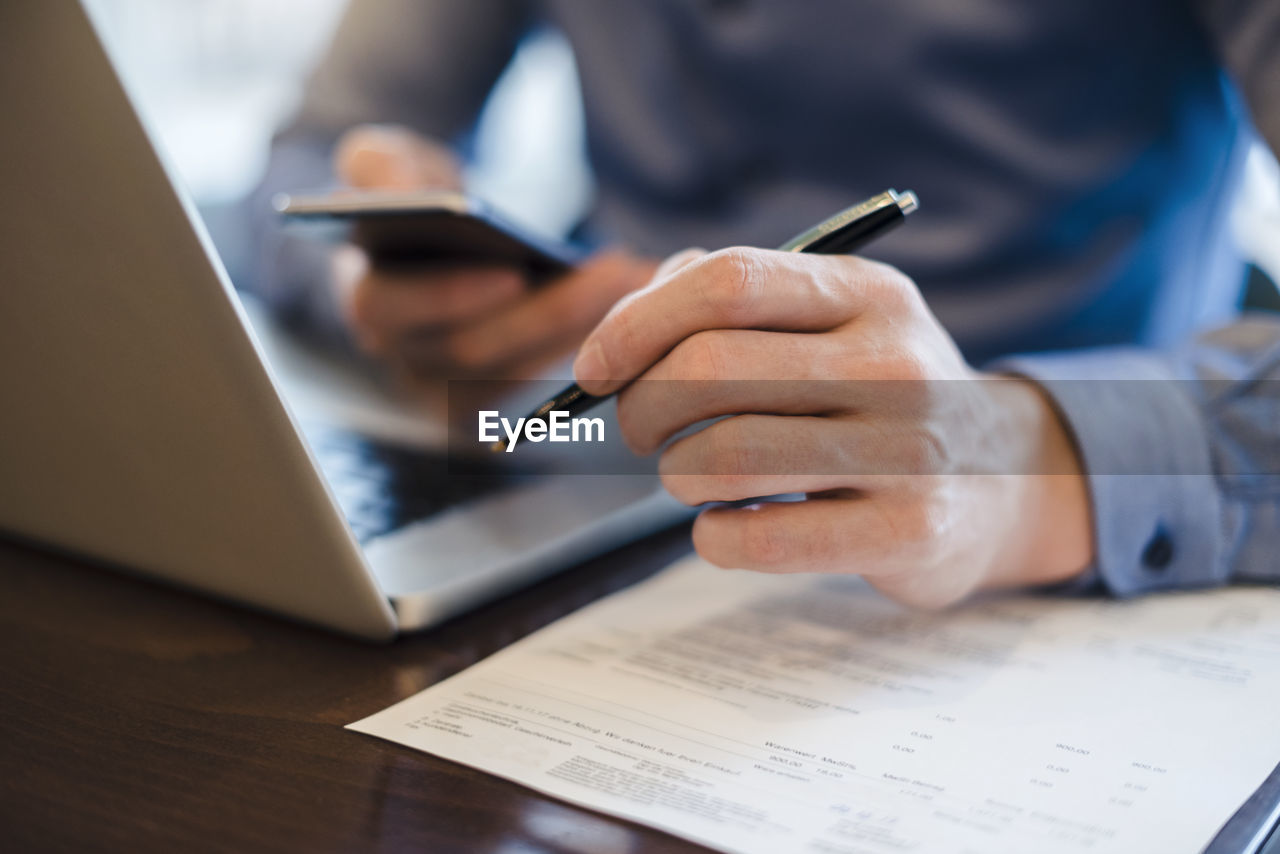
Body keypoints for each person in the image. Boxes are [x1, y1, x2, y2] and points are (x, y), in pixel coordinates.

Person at [246, 0, 1280, 608]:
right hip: (579, 483)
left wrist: (1019, 458)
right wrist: (364, 271)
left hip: (1045, 573)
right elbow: (305, 153)